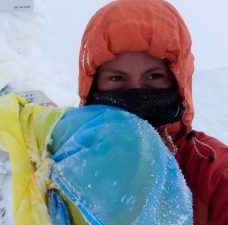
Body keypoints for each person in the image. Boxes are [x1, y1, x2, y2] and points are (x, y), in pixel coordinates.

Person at [78, 0, 228, 224]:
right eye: (117, 78)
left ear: (178, 81)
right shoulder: (71, 161)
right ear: (92, 87)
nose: (136, 91)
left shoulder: (214, 173)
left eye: (154, 76)